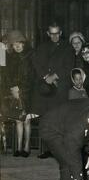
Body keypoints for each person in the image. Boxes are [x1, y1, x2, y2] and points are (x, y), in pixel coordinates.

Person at [31, 21, 75, 159]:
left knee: (59, 119)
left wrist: (55, 76)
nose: (55, 36)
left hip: (60, 88)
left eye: (57, 33)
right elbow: (37, 64)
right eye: (52, 34)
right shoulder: (42, 47)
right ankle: (46, 149)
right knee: (46, 119)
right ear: (48, 33)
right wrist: (46, 77)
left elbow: (69, 66)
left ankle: (58, 150)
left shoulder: (68, 48)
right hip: (45, 88)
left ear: (61, 33)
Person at [4, 30, 33, 157]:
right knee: (18, 120)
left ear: (23, 43)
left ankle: (27, 147)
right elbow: (8, 76)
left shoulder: (30, 56)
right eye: (14, 44)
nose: (17, 46)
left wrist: (21, 90)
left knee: (26, 120)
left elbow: (32, 76)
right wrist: (13, 88)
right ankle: (19, 147)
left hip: (27, 92)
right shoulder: (11, 58)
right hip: (15, 92)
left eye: (19, 43)